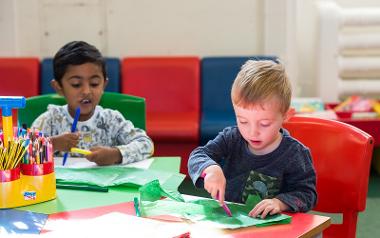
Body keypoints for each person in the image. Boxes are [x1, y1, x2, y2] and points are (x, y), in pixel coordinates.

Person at [188, 60, 317, 218]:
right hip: (229, 223)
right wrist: (210, 169)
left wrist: (279, 202)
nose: (252, 132)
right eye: (243, 121)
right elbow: (198, 155)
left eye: (264, 124)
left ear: (286, 116)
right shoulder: (232, 138)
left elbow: (307, 195)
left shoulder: (295, 153)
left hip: (272, 230)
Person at [32, 41, 154, 166]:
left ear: (104, 85)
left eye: (94, 83)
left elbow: (146, 144)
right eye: (76, 84)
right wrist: (52, 143)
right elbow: (21, 153)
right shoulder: (50, 120)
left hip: (104, 184)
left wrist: (116, 154)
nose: (86, 91)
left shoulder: (111, 120)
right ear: (59, 87)